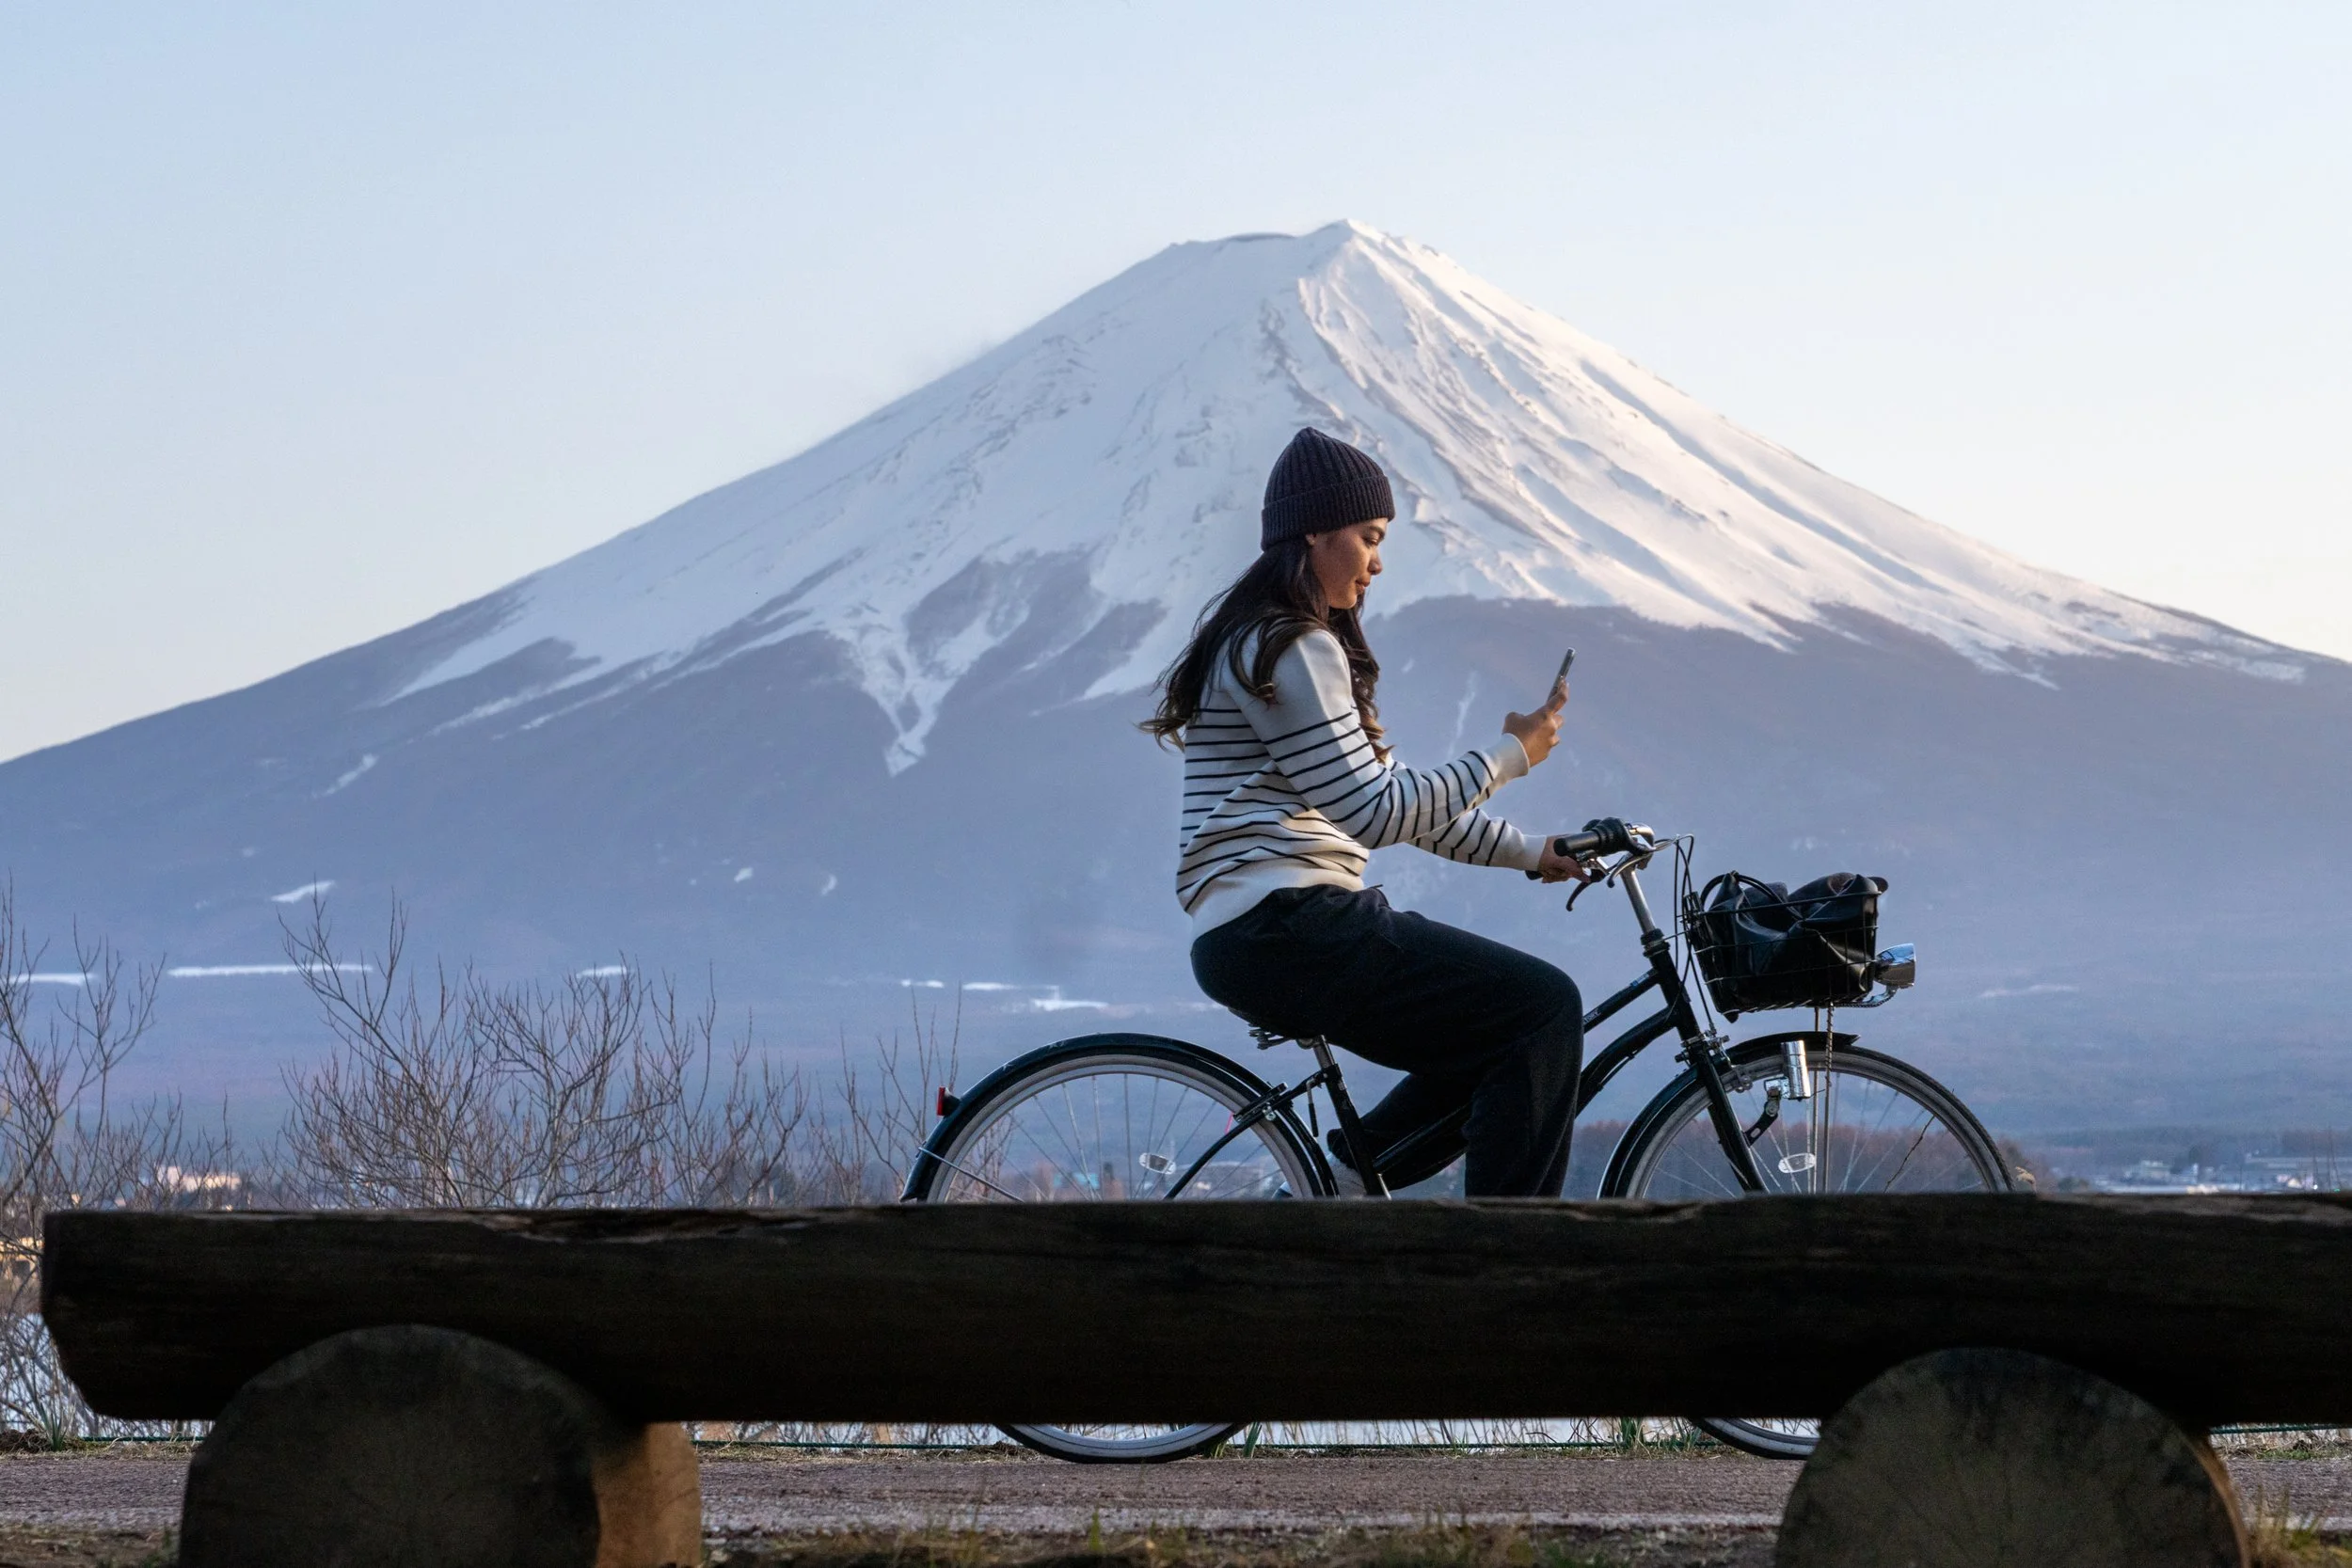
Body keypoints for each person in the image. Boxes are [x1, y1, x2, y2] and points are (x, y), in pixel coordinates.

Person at [1143, 426, 1593, 1199]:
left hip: (1256, 931)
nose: (1378, 561)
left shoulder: (1258, 643)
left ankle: (1349, 1178)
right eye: (1369, 537)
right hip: (1289, 924)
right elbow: (1375, 813)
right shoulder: (1292, 646)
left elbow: (1395, 804)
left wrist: (1532, 850)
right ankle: (1510, 1268)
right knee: (1543, 1009)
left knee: (1497, 1038)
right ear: (1313, 531)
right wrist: (1509, 755)